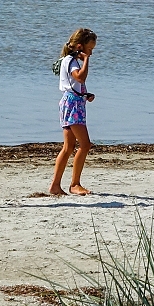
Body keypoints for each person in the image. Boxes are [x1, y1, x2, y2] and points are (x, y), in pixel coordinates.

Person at [49, 28, 97, 196]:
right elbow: (79, 77)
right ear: (80, 46)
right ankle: (75, 184)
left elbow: (74, 84)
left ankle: (55, 185)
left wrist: (86, 94)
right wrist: (86, 60)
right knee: (85, 144)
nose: (91, 52)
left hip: (73, 101)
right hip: (72, 105)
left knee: (69, 146)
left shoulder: (71, 60)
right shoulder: (72, 61)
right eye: (90, 49)